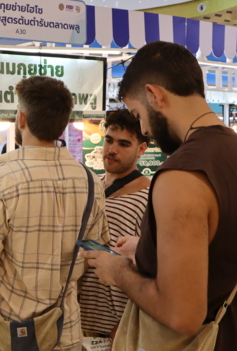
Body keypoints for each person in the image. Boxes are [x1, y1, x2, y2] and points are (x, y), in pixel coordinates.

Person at [81, 41, 237, 351]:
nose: (144, 129)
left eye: (138, 114)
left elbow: (182, 314)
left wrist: (119, 272)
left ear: (154, 95)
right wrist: (147, 249)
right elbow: (224, 253)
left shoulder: (181, 174)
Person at [0, 76, 109, 351]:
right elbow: (92, 253)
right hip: (65, 327)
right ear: (64, 123)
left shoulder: (0, 179)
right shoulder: (90, 181)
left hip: (11, 329)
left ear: (21, 119)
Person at [79, 109, 150, 337]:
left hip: (119, 327)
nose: (112, 149)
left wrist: (124, 327)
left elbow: (153, 268)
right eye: (109, 140)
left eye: (123, 144)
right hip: (79, 320)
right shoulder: (91, 187)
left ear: (141, 149)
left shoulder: (149, 197)